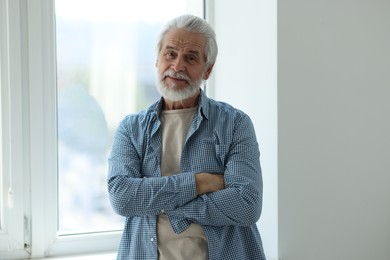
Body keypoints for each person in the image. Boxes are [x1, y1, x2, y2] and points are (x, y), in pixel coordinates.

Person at [107, 14, 266, 260]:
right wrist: (200, 183)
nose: (177, 66)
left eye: (190, 58)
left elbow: (246, 204)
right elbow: (122, 197)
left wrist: (161, 204)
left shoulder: (235, 124)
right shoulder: (131, 129)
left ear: (208, 69)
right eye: (170, 54)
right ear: (157, 60)